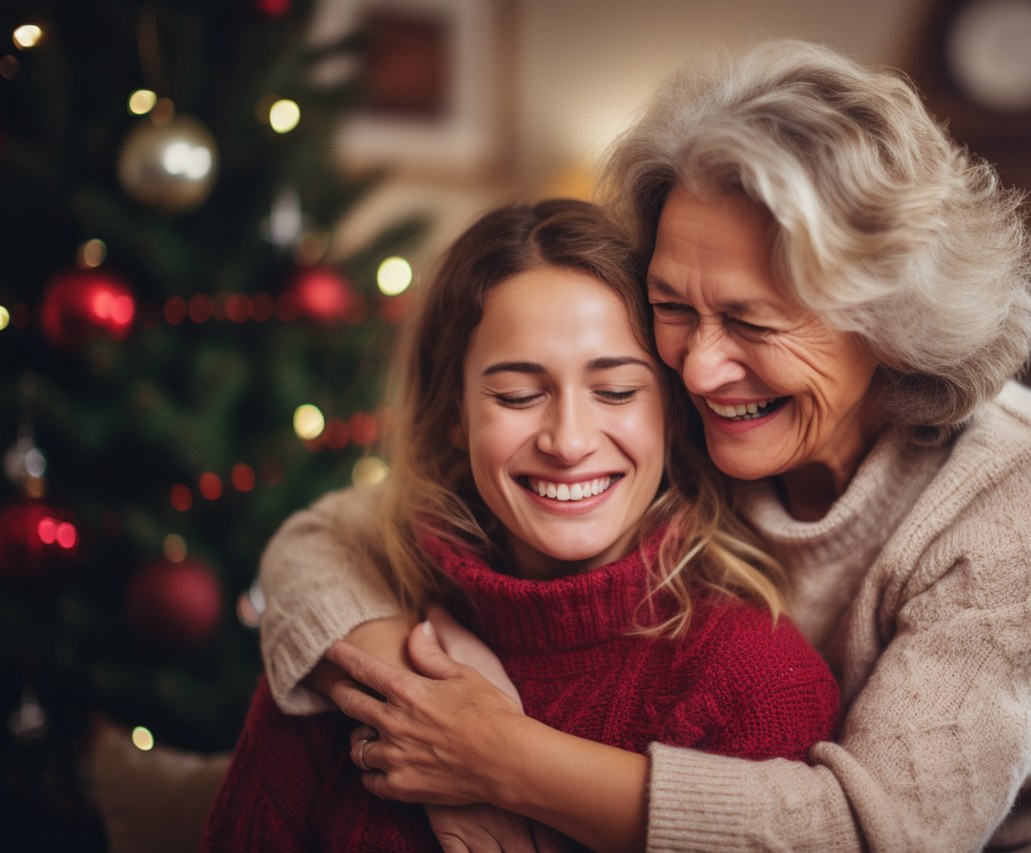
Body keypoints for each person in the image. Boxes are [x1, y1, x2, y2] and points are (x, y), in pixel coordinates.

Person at [258, 40, 1031, 852]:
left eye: (752, 320)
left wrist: (504, 759)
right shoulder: (681, 406)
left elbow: (877, 835)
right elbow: (328, 537)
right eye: (674, 307)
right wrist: (430, 697)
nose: (700, 364)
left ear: (886, 320)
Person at [201, 199, 840, 852]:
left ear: (673, 412)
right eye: (517, 395)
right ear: (454, 412)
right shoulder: (346, 643)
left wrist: (502, 768)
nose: (568, 441)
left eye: (616, 391)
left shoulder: (758, 681)